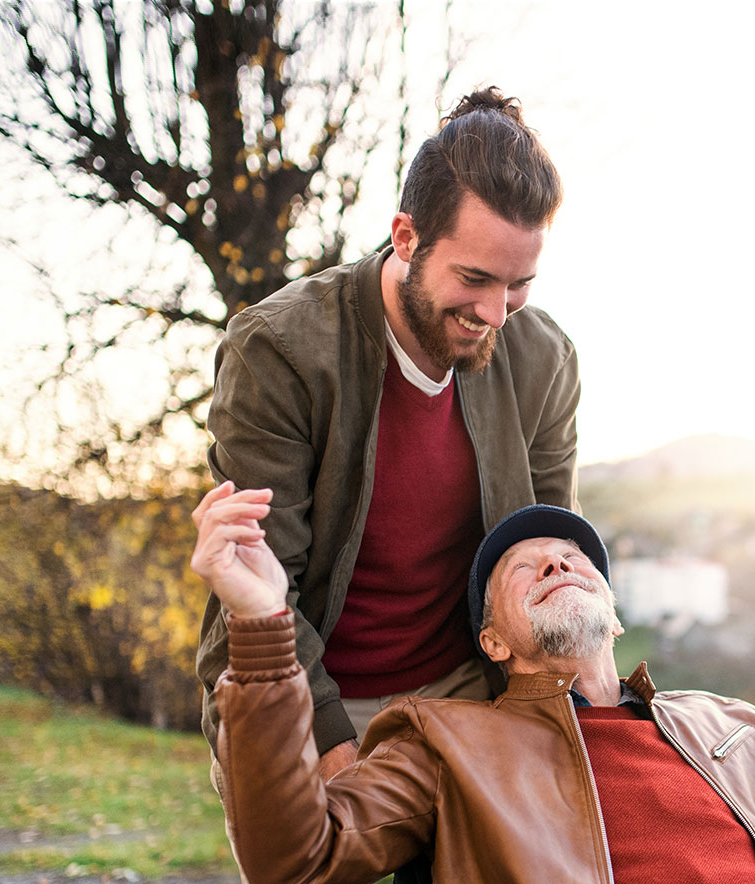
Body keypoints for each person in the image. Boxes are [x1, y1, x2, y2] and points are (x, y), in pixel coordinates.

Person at [192, 482, 755, 883]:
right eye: (524, 567)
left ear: (616, 617)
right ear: (495, 643)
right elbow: (298, 862)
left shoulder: (725, 728)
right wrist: (265, 627)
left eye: (574, 557)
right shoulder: (445, 742)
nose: (556, 562)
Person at [194, 86, 580, 781]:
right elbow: (260, 587)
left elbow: (554, 556)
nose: (496, 312)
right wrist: (337, 752)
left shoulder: (543, 357)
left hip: (468, 686)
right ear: (406, 237)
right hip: (304, 687)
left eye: (519, 284)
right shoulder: (278, 352)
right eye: (474, 278)